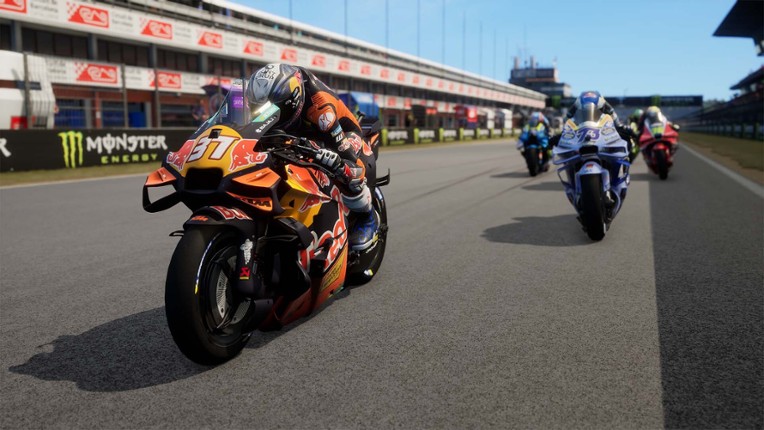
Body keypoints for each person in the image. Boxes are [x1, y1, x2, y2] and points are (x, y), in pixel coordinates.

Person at [245, 63, 378, 251]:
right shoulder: (273, 90)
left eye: (273, 110)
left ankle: (368, 217)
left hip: (340, 133)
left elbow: (354, 164)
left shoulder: (322, 111)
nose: (265, 115)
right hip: (300, 132)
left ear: (292, 101)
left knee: (347, 171)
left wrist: (339, 163)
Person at [550, 91, 637, 161]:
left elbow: (614, 116)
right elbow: (567, 120)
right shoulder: (575, 116)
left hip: (604, 140)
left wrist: (620, 127)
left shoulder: (606, 114)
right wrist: (563, 133)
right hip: (581, 142)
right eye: (584, 112)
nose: (588, 114)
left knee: (624, 146)